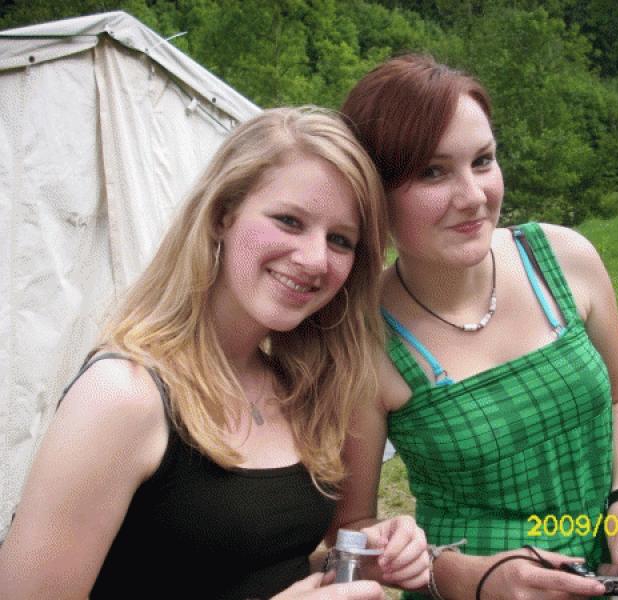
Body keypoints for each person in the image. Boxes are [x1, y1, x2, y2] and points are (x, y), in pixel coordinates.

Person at [0, 106, 429, 599]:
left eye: (340, 240)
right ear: (223, 214)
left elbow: (240, 571)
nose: (315, 259)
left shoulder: (295, 389)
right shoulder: (123, 396)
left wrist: (352, 561)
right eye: (289, 221)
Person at [332, 54, 618, 599]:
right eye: (432, 171)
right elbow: (350, 531)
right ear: (373, 191)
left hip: (608, 579)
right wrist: (472, 579)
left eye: (483, 161)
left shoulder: (564, 258)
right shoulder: (363, 337)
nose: (474, 196)